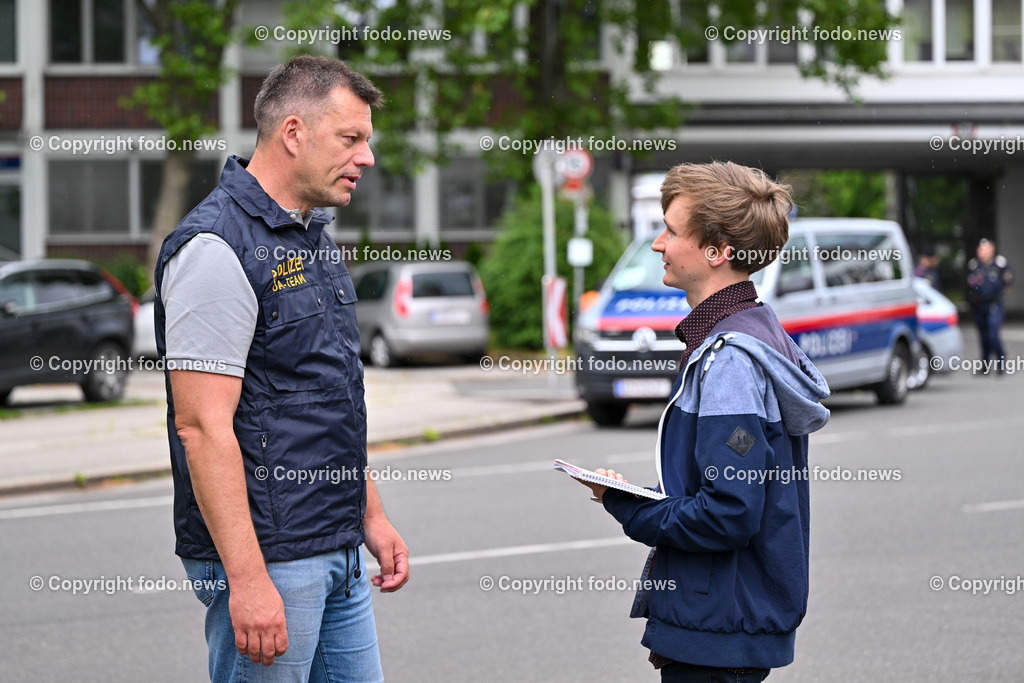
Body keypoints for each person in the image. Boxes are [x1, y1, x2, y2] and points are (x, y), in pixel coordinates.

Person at [154, 55, 408, 682]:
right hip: (269, 560)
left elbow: (326, 398)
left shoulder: (311, 237)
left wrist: (370, 515)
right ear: (294, 133)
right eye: (351, 138)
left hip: (336, 545)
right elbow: (201, 427)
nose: (367, 157)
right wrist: (246, 580)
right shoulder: (215, 247)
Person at [576, 162, 830, 682]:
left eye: (671, 231)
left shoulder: (730, 358)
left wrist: (626, 507)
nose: (658, 244)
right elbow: (722, 490)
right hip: (728, 618)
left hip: (722, 627)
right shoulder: (751, 331)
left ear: (717, 252)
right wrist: (639, 495)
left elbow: (727, 514)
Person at [967, 238, 1014, 374]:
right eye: (980, 249)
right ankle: (985, 364)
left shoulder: (1000, 263)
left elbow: (1009, 277)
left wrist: (1006, 285)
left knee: (993, 333)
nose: (981, 252)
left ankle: (1001, 361)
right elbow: (970, 283)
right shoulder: (974, 265)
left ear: (992, 250)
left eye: (985, 250)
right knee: (983, 335)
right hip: (980, 304)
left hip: (994, 303)